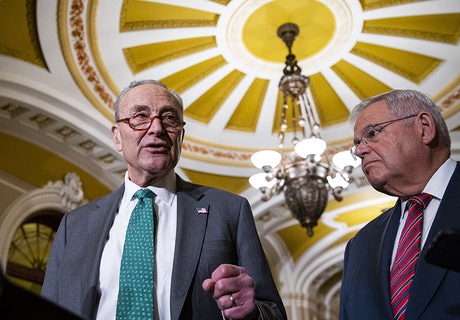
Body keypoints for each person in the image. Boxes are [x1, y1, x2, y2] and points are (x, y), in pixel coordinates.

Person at [41, 79, 286, 320]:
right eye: (140, 117)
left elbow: (273, 312)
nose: (156, 128)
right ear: (117, 137)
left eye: (169, 118)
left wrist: (252, 313)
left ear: (181, 135)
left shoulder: (229, 210)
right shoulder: (74, 225)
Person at [338, 89, 460, 319]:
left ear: (425, 128)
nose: (359, 151)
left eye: (373, 133)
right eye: (357, 143)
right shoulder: (359, 245)